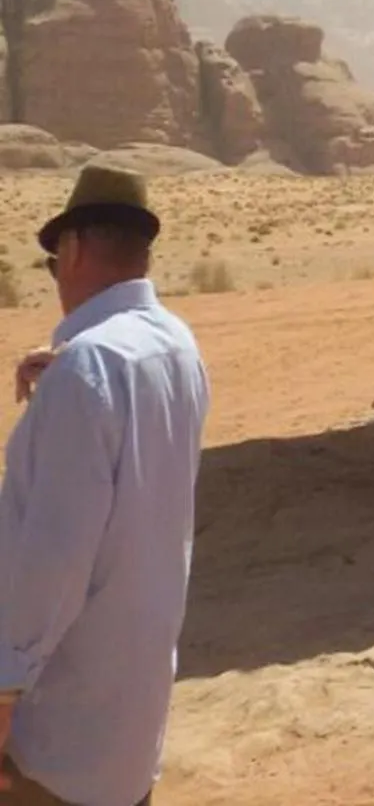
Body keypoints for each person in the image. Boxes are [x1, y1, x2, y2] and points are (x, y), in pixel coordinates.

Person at [0, 165, 211, 806]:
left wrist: (5, 690)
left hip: (59, 730)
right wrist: (62, 379)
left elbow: (54, 557)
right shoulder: (176, 344)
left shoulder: (89, 371)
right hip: (130, 717)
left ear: (72, 250)